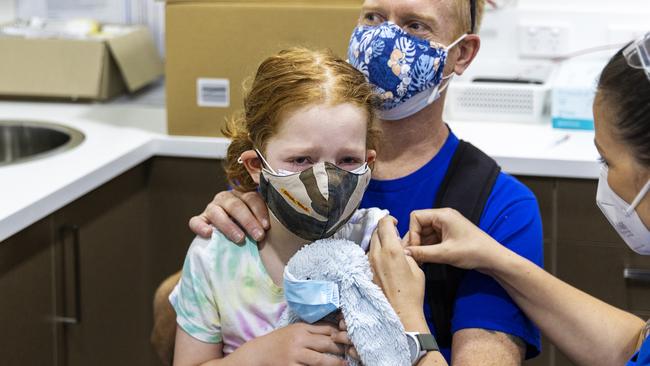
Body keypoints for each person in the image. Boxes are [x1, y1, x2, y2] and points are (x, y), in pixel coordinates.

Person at [155, 0, 544, 365]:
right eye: (373, 17)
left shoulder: (500, 208)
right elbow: (208, 303)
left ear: (462, 53)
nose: (385, 40)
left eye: (415, 25)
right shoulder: (277, 173)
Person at [372, 33, 650, 366]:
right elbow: (636, 347)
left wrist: (404, 318)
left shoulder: (502, 202)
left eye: (607, 160)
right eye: (373, 16)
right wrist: (495, 258)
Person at [170, 47, 384, 366]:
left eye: (348, 160)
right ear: (257, 165)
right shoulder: (214, 257)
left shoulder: (376, 245)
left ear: (368, 164)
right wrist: (261, 356)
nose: (325, 181)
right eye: (301, 160)